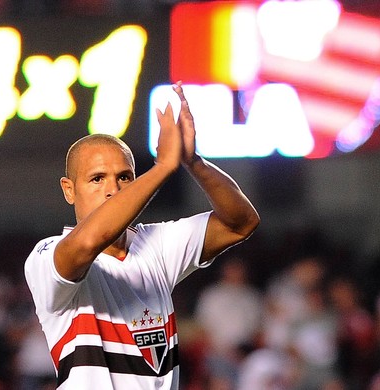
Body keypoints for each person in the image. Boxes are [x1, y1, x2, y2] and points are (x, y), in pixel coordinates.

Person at [24, 81, 260, 389]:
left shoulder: (156, 245)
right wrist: (162, 167)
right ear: (69, 190)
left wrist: (194, 162)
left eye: (124, 177)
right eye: (97, 179)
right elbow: (86, 243)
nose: (112, 189)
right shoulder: (47, 256)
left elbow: (240, 223)